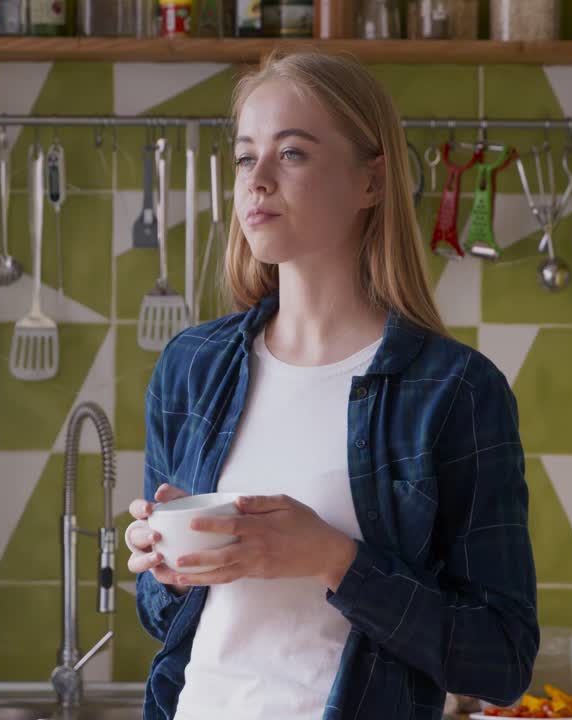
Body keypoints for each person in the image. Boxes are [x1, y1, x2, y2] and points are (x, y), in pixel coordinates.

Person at [124, 49, 539, 720]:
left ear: (371, 181)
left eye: (291, 154)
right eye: (245, 157)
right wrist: (166, 569)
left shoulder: (454, 391)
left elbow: (501, 661)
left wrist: (334, 559)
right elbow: (162, 618)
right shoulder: (192, 367)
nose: (257, 181)